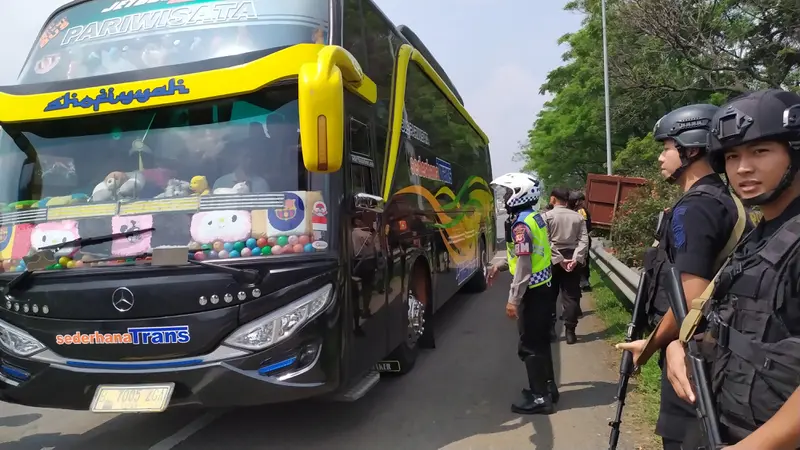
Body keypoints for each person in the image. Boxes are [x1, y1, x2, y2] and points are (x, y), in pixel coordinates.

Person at [664, 89, 800, 449]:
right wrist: (679, 346)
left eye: (760, 151)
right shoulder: (762, 234)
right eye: (732, 156)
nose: (743, 168)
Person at [616, 103, 748, 450]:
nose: (661, 157)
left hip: (694, 357)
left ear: (690, 150)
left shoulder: (695, 209)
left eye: (666, 148)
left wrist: (651, 345)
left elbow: (690, 301)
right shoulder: (721, 199)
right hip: (714, 349)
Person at [486, 172, 560, 415]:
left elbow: (525, 264)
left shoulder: (520, 224)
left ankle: (540, 398)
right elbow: (528, 256)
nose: (506, 197)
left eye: (509, 192)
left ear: (520, 194)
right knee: (540, 342)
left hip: (532, 292)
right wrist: (500, 265)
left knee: (529, 345)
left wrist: (513, 299)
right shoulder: (533, 217)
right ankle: (547, 388)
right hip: (544, 288)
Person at [542, 187, 588, 345]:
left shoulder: (546, 217)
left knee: (549, 297)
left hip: (552, 261)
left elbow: (545, 241)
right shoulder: (578, 217)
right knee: (571, 297)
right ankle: (570, 332)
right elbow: (584, 240)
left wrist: (558, 259)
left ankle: (550, 331)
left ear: (553, 199)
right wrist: (576, 258)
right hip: (572, 258)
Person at [570, 190, 593, 291]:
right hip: (580, 239)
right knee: (581, 261)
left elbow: (585, 226)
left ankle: (584, 283)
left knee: (582, 261)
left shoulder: (580, 211)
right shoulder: (578, 210)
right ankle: (582, 282)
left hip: (580, 239)